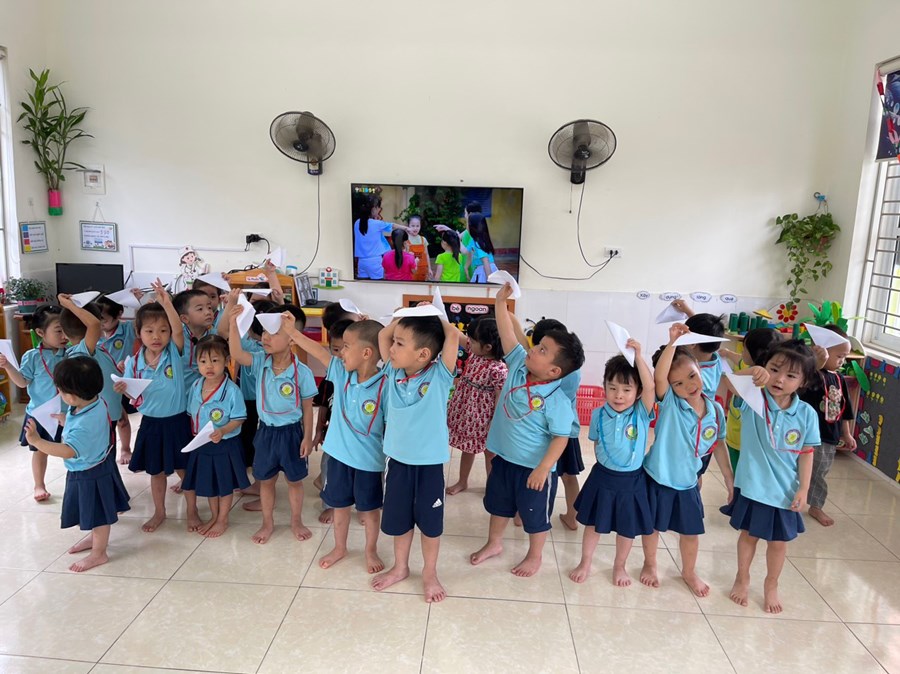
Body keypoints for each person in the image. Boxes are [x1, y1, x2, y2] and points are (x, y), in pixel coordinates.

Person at [470, 283, 585, 577]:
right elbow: (507, 334)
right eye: (538, 344)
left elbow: (561, 438)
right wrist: (500, 302)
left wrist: (544, 468)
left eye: (542, 350)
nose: (533, 349)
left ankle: (535, 556)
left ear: (554, 371)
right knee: (498, 506)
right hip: (504, 460)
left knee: (535, 516)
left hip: (534, 470)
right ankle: (494, 543)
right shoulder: (519, 365)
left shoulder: (557, 400)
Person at [721, 340, 820, 613]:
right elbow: (728, 382)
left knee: (778, 543)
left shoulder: (806, 414)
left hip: (784, 491)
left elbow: (806, 453)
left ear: (803, 381)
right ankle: (742, 577)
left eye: (791, 375)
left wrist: (804, 489)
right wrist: (751, 372)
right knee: (748, 536)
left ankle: (771, 583)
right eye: (774, 369)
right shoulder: (753, 397)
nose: (779, 379)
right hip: (753, 486)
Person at [641, 323, 735, 597]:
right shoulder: (671, 402)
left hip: (689, 483)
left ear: (700, 370)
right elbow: (660, 377)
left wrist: (729, 479)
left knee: (691, 533)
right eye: (678, 383)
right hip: (658, 478)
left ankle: (689, 571)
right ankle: (650, 563)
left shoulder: (715, 410)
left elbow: (719, 444)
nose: (688, 386)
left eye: (692, 376)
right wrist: (673, 342)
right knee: (653, 528)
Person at [287, 319, 388, 574]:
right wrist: (291, 333)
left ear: (366, 353)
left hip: (368, 463)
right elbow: (317, 351)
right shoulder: (341, 373)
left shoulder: (386, 383)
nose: (340, 352)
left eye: (346, 346)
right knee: (339, 506)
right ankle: (340, 547)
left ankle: (370, 550)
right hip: (338, 459)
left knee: (370, 511)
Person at [371, 307, 458, 602]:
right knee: (400, 520)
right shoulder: (393, 372)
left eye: (399, 344)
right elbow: (382, 335)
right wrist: (406, 314)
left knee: (430, 525)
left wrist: (434, 313)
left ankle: (429, 573)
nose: (391, 348)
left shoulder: (440, 375)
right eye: (394, 343)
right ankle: (401, 567)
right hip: (397, 462)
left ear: (423, 354)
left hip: (429, 465)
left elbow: (452, 335)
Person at [24, 357, 130, 572]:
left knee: (99, 515)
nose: (60, 394)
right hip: (90, 467)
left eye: (61, 391)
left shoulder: (84, 424)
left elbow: (68, 450)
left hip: (91, 473)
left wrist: (38, 442)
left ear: (72, 396)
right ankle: (94, 538)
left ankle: (99, 553)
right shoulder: (94, 401)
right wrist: (65, 419)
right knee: (90, 509)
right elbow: (82, 425)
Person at [227, 305, 318, 544]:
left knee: (294, 482)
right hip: (265, 433)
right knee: (266, 482)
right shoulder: (260, 361)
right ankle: (267, 523)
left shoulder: (302, 372)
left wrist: (307, 438)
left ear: (292, 339)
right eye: (265, 332)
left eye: (274, 333)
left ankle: (296, 521)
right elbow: (237, 353)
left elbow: (308, 409)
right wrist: (233, 325)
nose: (266, 337)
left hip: (292, 434)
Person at [569, 343, 656, 586]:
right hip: (602, 478)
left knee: (627, 529)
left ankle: (620, 566)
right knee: (593, 524)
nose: (619, 395)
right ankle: (585, 561)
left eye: (627, 389)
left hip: (632, 481)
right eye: (613, 388)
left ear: (638, 392)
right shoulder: (598, 414)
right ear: (604, 387)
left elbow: (651, 386)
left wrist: (638, 356)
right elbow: (597, 442)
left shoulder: (640, 412)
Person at [113, 280, 193, 533]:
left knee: (184, 469)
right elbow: (134, 395)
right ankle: (160, 511)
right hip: (151, 424)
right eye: (149, 331)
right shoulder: (133, 363)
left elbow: (178, 330)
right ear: (139, 332)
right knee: (156, 472)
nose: (157, 336)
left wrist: (167, 303)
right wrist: (123, 388)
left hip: (178, 421)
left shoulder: (174, 353)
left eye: (163, 330)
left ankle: (192, 512)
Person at [182, 335, 249, 538]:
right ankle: (214, 515)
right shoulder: (196, 386)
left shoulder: (232, 391)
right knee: (210, 483)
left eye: (215, 360)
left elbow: (239, 418)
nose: (209, 366)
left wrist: (223, 431)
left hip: (225, 445)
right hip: (202, 445)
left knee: (225, 484)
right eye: (203, 361)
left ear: (227, 361)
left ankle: (222, 519)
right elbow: (191, 414)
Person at [0, 304, 67, 502]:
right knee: (40, 450)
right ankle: (39, 484)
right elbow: (22, 382)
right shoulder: (32, 356)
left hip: (67, 412)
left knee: (73, 447)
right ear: (40, 332)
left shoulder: (70, 353)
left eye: (66, 329)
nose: (64, 335)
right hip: (40, 414)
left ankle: (76, 480)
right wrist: (8, 366)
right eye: (58, 330)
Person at [523, 318, 584, 532]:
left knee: (534, 472)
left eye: (543, 349)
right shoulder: (572, 367)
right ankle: (572, 517)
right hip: (568, 430)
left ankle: (521, 515)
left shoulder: (551, 374)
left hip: (554, 432)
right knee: (569, 477)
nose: (536, 351)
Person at [800, 325, 856, 527]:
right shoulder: (810, 375)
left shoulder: (839, 379)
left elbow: (845, 409)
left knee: (819, 472)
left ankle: (816, 505)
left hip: (828, 437)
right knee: (796, 470)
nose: (842, 361)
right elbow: (799, 391)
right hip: (804, 434)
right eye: (840, 356)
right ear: (822, 350)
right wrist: (815, 364)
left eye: (845, 357)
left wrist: (847, 434)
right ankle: (791, 500)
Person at [446, 317, 507, 495]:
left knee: (490, 452)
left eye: (472, 340)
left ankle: (492, 486)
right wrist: (436, 314)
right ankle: (462, 481)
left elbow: (499, 397)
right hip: (467, 412)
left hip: (484, 417)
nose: (469, 342)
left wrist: (495, 422)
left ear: (487, 347)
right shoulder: (474, 352)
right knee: (468, 448)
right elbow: (455, 333)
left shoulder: (498, 369)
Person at [311, 318, 353, 524]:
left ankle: (362, 504)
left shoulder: (366, 378)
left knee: (357, 470)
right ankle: (329, 504)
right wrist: (318, 432)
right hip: (333, 434)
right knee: (330, 466)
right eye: (335, 349)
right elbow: (323, 406)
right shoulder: (330, 379)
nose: (341, 354)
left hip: (356, 436)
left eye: (346, 348)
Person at [725, 328, 783, 473]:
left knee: (742, 477)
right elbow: (739, 360)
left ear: (756, 354)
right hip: (736, 438)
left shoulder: (757, 381)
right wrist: (727, 353)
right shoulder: (749, 367)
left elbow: (729, 382)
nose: (742, 352)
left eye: (744, 348)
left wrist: (752, 371)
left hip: (742, 441)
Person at [96, 294, 139, 464]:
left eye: (104, 320)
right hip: (103, 385)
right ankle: (105, 451)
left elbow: (141, 322)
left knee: (122, 419)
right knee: (108, 421)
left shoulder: (127, 329)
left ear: (119, 314)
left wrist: (135, 302)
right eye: (98, 319)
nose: (101, 324)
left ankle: (125, 448)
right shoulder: (94, 335)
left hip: (123, 383)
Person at [353, 195, 410, 280]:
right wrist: (407, 228)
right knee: (378, 285)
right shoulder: (377, 224)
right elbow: (392, 225)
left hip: (361, 262)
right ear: (374, 208)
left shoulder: (357, 223)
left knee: (364, 285)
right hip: (375, 261)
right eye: (379, 207)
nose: (379, 210)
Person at [174, 288, 217, 389]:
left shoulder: (215, 336)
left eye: (209, 307)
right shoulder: (179, 337)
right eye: (200, 309)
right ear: (185, 318)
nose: (208, 312)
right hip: (182, 391)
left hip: (207, 392)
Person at [466, 213, 497, 283]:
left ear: (472, 227)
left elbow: (486, 261)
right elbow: (464, 251)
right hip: (483, 270)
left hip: (484, 271)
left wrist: (489, 281)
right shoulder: (474, 241)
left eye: (467, 223)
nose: (466, 226)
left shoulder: (478, 243)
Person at [407, 215, 433, 282]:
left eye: (417, 226)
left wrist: (429, 268)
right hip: (411, 270)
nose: (415, 228)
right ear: (408, 226)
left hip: (423, 271)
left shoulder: (423, 239)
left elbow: (426, 254)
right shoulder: (406, 240)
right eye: (413, 226)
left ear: (420, 226)